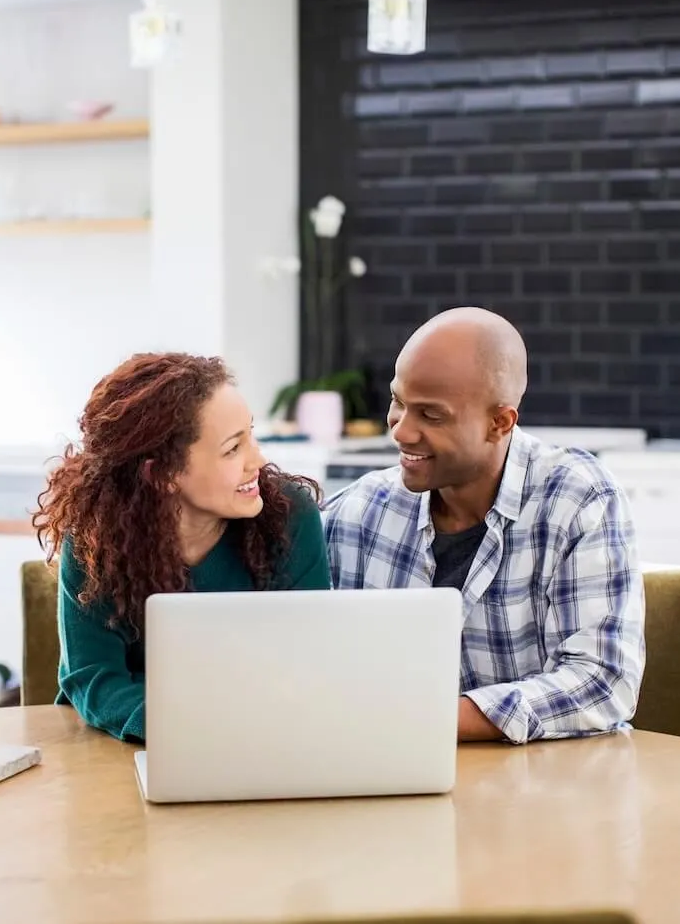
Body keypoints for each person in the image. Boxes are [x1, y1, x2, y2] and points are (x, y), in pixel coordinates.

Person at [322, 307, 645, 744]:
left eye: (431, 415)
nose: (400, 431)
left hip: (551, 793)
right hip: (400, 778)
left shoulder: (576, 500)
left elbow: (602, 682)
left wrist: (420, 719)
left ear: (500, 423)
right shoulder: (360, 512)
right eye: (398, 402)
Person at [33, 352, 331, 742]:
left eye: (251, 435)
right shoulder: (96, 539)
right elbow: (93, 679)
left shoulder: (290, 517)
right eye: (232, 449)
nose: (256, 459)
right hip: (121, 750)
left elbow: (305, 665)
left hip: (261, 741)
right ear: (161, 474)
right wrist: (187, 727)